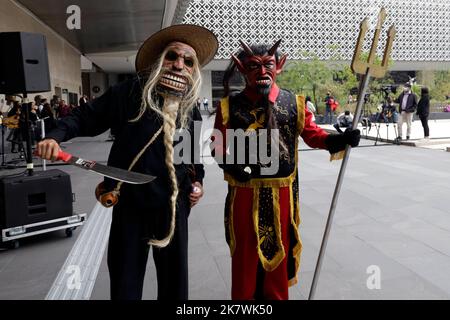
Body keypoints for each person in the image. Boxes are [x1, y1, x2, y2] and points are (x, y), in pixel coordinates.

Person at [36, 24, 219, 300]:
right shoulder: (129, 93)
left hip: (174, 205)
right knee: (125, 282)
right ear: (160, 61)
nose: (179, 65)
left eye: (188, 61)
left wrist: (198, 182)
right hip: (131, 203)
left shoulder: (189, 107)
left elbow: (191, 156)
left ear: (193, 70)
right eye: (172, 57)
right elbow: (84, 116)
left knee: (175, 285)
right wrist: (54, 136)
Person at [211, 40, 360, 300]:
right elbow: (218, 146)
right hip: (244, 195)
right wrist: (234, 165)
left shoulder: (293, 103)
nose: (262, 72)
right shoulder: (229, 106)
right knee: (245, 257)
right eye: (253, 67)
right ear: (241, 69)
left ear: (278, 66)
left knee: (278, 254)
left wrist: (340, 139)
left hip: (282, 196)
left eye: (268, 65)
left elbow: (314, 135)